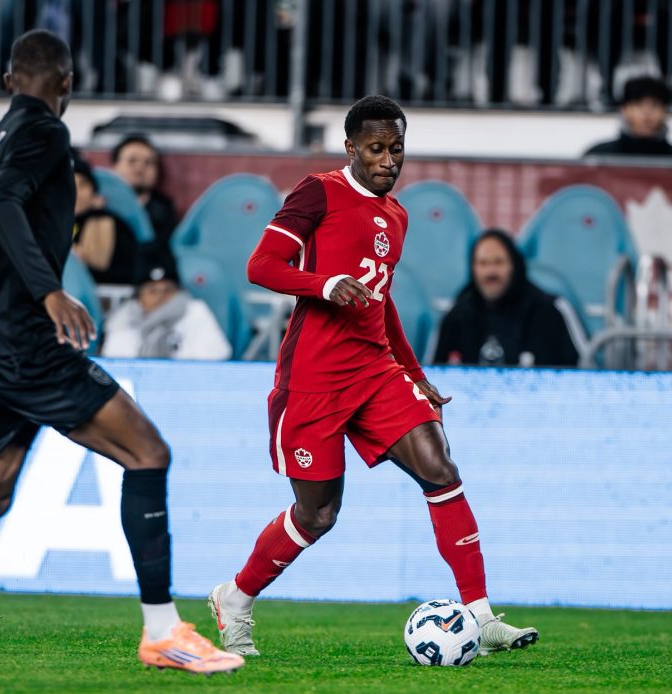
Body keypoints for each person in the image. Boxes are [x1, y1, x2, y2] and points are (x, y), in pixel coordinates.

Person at [0, 30, 242, 678]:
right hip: (23, 344)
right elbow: (5, 205)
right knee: (148, 452)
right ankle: (163, 631)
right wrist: (47, 292)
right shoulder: (46, 134)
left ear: (8, 79)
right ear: (67, 84)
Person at [206, 95, 539, 658]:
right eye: (377, 149)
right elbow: (260, 266)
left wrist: (414, 372)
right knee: (318, 514)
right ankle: (235, 597)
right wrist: (324, 284)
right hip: (313, 379)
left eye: (397, 149)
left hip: (375, 371)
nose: (389, 160)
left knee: (440, 467)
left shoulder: (397, 216)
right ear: (351, 148)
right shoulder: (319, 192)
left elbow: (381, 305)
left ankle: (480, 616)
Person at [434, 229, 579, 368]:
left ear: (514, 265)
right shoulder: (456, 316)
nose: (491, 272)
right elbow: (432, 377)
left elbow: (578, 375)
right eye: (483, 263)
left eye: (498, 262)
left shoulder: (550, 312)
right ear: (473, 268)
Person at [101, 246, 232, 360]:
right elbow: (115, 364)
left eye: (167, 290)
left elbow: (217, 354)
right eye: (152, 291)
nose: (160, 297)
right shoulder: (124, 319)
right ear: (138, 295)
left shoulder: (194, 311)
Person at [583, 76, 672, 160]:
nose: (647, 112)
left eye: (654, 105)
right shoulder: (598, 157)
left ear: (665, 112)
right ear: (624, 110)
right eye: (638, 105)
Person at [72, 156, 140, 285]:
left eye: (83, 185)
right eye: (69, 184)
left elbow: (124, 272)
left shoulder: (110, 223)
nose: (77, 193)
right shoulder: (48, 226)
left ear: (94, 192)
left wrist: (79, 264)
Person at [111, 134, 180, 246]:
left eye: (148, 163)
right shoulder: (102, 204)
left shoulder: (165, 210)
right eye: (132, 161)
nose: (139, 168)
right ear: (115, 167)